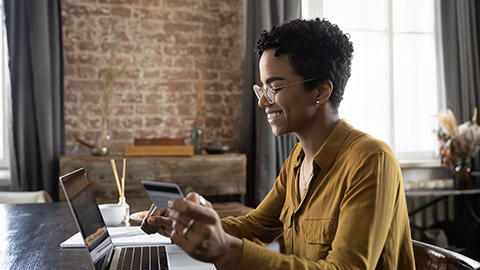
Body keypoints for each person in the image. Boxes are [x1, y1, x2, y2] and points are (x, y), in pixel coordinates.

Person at [141, 18, 416, 269]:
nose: (262, 100)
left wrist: (228, 251)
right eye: (261, 87)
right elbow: (257, 226)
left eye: (274, 87)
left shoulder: (371, 160)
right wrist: (185, 225)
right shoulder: (297, 160)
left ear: (321, 91)